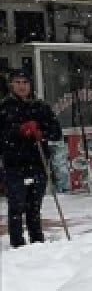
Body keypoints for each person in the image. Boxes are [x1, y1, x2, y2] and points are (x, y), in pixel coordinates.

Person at [0, 70, 64, 247]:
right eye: (18, 82)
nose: (22, 86)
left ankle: (37, 242)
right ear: (11, 85)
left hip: (38, 162)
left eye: (25, 82)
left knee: (34, 207)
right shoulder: (4, 108)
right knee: (16, 207)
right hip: (14, 164)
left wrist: (41, 132)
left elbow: (56, 133)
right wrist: (18, 132)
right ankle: (18, 244)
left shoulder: (40, 107)